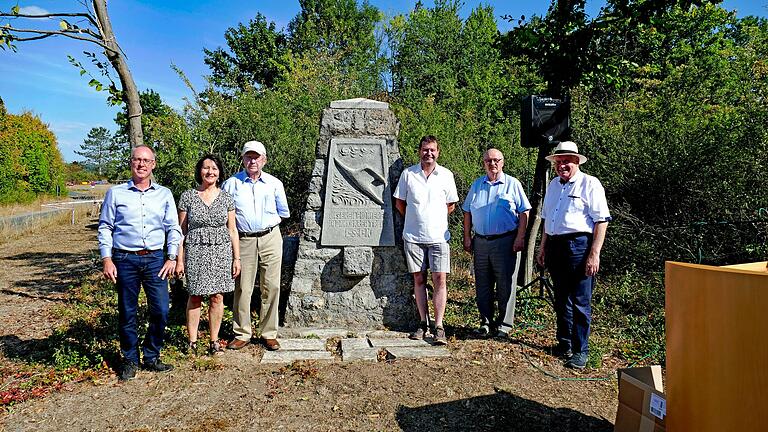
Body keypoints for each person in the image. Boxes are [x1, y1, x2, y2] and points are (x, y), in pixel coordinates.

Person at [98, 145, 182, 381]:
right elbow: (105, 227)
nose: (141, 164)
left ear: (153, 164)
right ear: (131, 163)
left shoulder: (164, 194)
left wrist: (172, 256)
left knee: (161, 310)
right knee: (127, 311)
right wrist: (107, 259)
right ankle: (130, 359)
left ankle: (151, 355)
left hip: (156, 259)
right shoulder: (116, 193)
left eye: (146, 160)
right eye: (137, 160)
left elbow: (173, 228)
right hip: (125, 259)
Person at [536, 141, 611, 369]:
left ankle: (581, 351)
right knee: (561, 299)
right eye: (559, 161)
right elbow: (547, 220)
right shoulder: (553, 186)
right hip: (555, 246)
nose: (562, 165)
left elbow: (601, 221)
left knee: (580, 301)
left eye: (567, 160)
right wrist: (542, 247)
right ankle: (565, 343)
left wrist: (594, 254)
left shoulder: (590, 184)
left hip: (579, 246)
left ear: (577, 161)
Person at [222, 141, 289, 351]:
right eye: (248, 157)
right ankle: (242, 333)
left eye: (256, 157)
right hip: (243, 239)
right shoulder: (231, 184)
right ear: (242, 159)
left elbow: (283, 212)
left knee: (272, 286)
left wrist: (265, 225)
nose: (252, 161)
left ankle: (269, 333)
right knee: (243, 287)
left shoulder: (274, 183)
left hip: (270, 237)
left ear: (264, 159)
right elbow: (226, 217)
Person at [393, 135, 459, 345]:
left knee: (440, 279)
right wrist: (416, 219)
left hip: (439, 237)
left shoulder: (446, 175)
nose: (428, 153)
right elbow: (399, 203)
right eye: (425, 150)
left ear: (438, 152)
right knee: (419, 280)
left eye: (432, 150)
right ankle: (423, 322)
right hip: (413, 236)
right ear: (419, 151)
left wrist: (434, 220)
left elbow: (451, 205)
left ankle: (439, 326)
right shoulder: (408, 174)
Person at [175, 155, 240, 355]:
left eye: (214, 168)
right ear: (199, 171)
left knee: (217, 297)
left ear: (219, 172)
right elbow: (181, 231)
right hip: (195, 251)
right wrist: (179, 259)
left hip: (221, 252)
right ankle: (192, 342)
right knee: (194, 296)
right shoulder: (188, 196)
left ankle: (214, 341)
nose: (210, 172)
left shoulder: (227, 197)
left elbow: (233, 230)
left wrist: (236, 258)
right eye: (206, 168)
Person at [462, 148, 531, 338]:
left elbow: (524, 212)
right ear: (483, 163)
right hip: (481, 242)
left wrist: (520, 237)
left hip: (505, 241)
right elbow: (467, 211)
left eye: (496, 160)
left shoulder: (512, 184)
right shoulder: (477, 185)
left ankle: (504, 325)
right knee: (482, 285)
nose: (492, 164)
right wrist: (467, 237)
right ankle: (485, 322)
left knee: (505, 284)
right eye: (488, 161)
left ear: (503, 162)